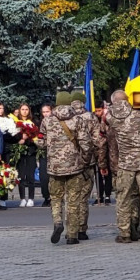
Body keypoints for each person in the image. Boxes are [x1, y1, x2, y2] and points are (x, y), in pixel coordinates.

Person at [99, 89, 140, 244]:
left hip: (124, 164)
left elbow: (103, 130)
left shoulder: (110, 117)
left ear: (113, 101)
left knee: (123, 199)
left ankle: (124, 233)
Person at [44, 89, 94, 244]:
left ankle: (58, 222)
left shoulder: (47, 121)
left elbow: (41, 142)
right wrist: (85, 161)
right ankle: (72, 235)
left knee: (56, 198)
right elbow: (86, 144)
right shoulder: (78, 120)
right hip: (75, 167)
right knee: (73, 200)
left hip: (54, 168)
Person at [69, 91, 100, 238]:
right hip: (88, 162)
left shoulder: (65, 118)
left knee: (71, 197)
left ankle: (71, 229)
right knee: (84, 196)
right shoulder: (91, 117)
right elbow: (97, 139)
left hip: (69, 162)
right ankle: (82, 229)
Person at [13, 103, 39, 207]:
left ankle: (31, 198)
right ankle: (22, 198)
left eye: (26, 109)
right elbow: (12, 136)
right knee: (21, 176)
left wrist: (28, 138)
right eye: (22, 109)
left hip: (31, 151)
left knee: (30, 176)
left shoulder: (33, 122)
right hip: (20, 152)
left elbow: (36, 137)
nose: (24, 111)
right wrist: (20, 138)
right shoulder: (15, 122)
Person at [92, 101, 112, 205]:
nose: (97, 113)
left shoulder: (107, 118)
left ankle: (107, 195)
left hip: (108, 149)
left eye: (99, 110)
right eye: (95, 111)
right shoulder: (93, 119)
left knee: (108, 173)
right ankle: (100, 195)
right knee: (98, 175)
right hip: (96, 149)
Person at [38, 104, 53, 206]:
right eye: (43, 112)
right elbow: (40, 139)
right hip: (44, 152)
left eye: (47, 111)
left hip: (55, 154)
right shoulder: (40, 123)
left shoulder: (56, 122)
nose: (45, 114)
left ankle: (54, 197)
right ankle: (46, 196)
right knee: (44, 177)